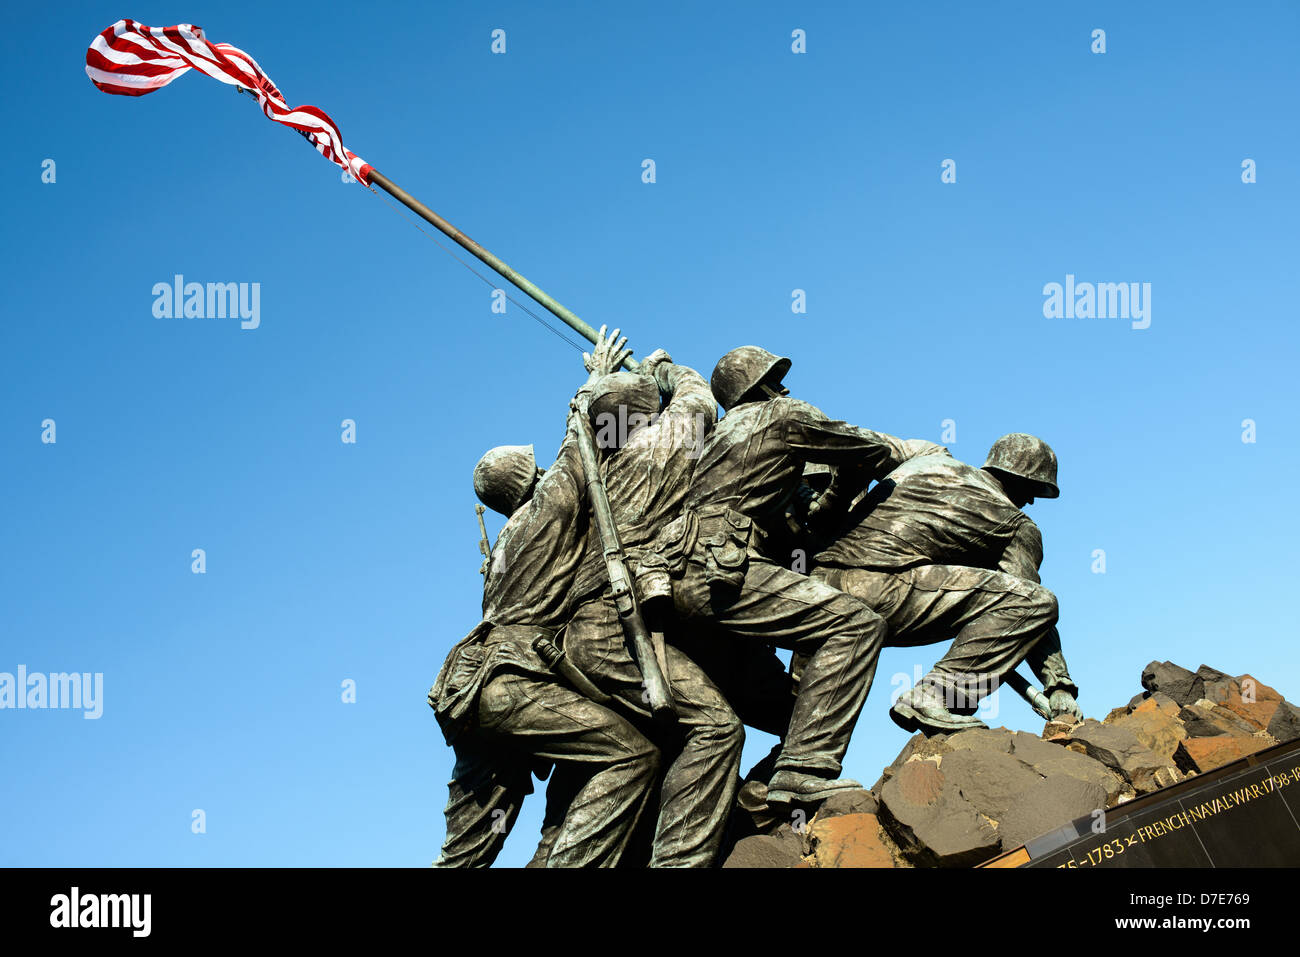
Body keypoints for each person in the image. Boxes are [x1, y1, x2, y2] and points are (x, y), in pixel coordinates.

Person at [429, 328, 660, 867]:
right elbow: (580, 447)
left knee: (467, 848)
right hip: (511, 680)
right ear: (527, 477)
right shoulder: (546, 510)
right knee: (632, 755)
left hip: (469, 687)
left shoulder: (507, 547)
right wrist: (598, 381)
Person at [810, 432, 1083, 735]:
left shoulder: (928, 458)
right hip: (879, 590)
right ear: (1022, 480)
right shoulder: (1016, 523)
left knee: (801, 712)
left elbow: (859, 447)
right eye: (1034, 489)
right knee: (1036, 602)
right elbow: (1029, 607)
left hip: (815, 585)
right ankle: (935, 696)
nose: (1031, 500)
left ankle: (789, 773)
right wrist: (1058, 685)